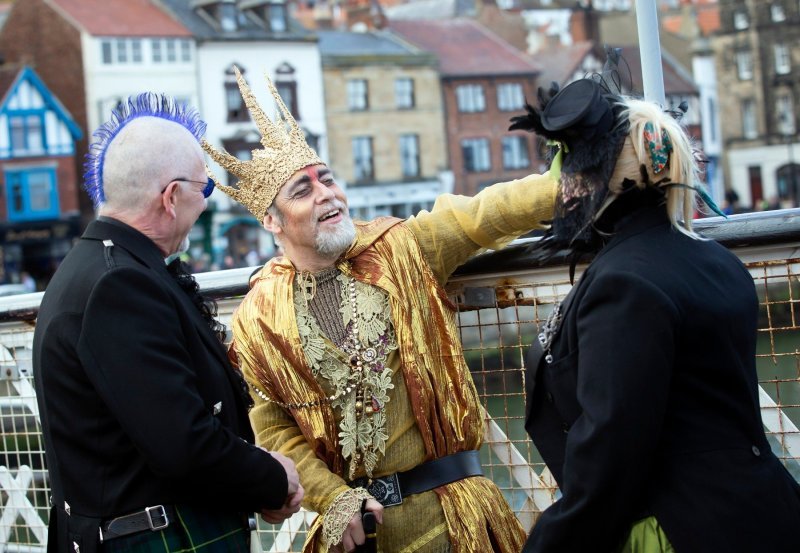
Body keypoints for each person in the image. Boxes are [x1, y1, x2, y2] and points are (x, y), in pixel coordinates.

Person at [202, 68, 557, 553]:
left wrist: (568, 182)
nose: (326, 193)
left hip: (453, 522)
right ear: (271, 221)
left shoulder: (401, 248)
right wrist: (332, 498)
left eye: (326, 179)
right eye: (302, 191)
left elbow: (484, 214)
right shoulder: (259, 314)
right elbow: (274, 431)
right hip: (358, 538)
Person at [513, 58, 800, 552]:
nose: (558, 187)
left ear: (584, 182)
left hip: (675, 530)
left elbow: (611, 456)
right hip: (763, 512)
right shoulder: (715, 260)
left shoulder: (624, 284)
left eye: (563, 170)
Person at [32, 94, 303, 553]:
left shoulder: (97, 269)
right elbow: (182, 443)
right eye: (205, 190)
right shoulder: (120, 287)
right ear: (172, 197)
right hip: (158, 538)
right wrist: (273, 479)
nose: (204, 205)